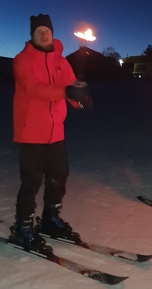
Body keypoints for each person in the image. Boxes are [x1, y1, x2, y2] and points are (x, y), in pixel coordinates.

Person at [10, 14, 92, 250]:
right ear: (32, 35)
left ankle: (49, 218)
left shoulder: (60, 61)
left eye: (47, 30)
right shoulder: (22, 60)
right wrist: (67, 92)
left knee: (59, 177)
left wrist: (82, 99)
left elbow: (71, 86)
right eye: (39, 31)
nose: (44, 34)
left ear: (53, 34)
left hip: (56, 132)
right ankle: (23, 227)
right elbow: (35, 88)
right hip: (30, 133)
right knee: (32, 181)